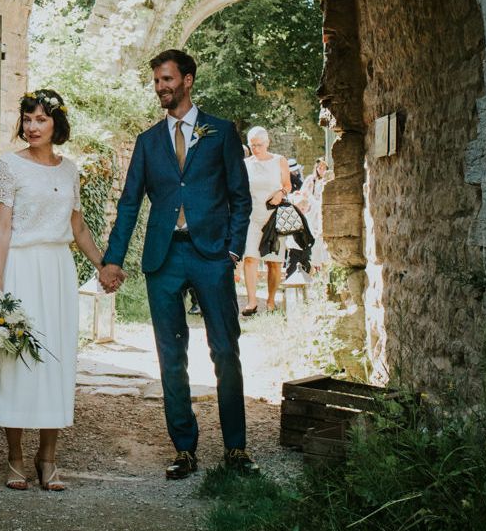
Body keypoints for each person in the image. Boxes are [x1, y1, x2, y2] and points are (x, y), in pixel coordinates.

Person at [99, 50, 258, 479]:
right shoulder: (149, 141)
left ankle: (236, 448)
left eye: (167, 79)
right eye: (156, 81)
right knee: (171, 354)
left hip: (211, 255)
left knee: (224, 350)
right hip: (164, 256)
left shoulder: (221, 132)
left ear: (187, 80)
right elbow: (129, 203)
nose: (161, 87)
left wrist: (232, 251)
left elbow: (240, 197)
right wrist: (113, 260)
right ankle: (184, 449)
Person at [0, 88, 104, 492]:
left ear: (57, 124)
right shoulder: (9, 165)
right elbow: (2, 228)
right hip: (21, 267)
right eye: (27, 119)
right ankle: (15, 457)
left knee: (56, 360)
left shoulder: (69, 170)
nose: (32, 126)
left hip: (57, 271)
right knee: (15, 358)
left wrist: (103, 265)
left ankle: (48, 458)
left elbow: (78, 227)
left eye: (41, 119)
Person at [240, 126, 291, 317]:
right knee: (250, 258)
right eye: (252, 145)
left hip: (274, 216)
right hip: (252, 216)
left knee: (274, 263)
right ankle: (252, 301)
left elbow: (287, 185)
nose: (256, 149)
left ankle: (270, 300)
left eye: (259, 145)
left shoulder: (279, 161)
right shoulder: (245, 164)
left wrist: (281, 193)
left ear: (267, 142)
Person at [296, 158, 331, 275]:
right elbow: (303, 194)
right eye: (319, 167)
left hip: (321, 212)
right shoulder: (310, 179)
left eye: (323, 167)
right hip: (310, 212)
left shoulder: (327, 180)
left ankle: (321, 267)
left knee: (320, 240)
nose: (321, 169)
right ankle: (311, 267)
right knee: (311, 237)